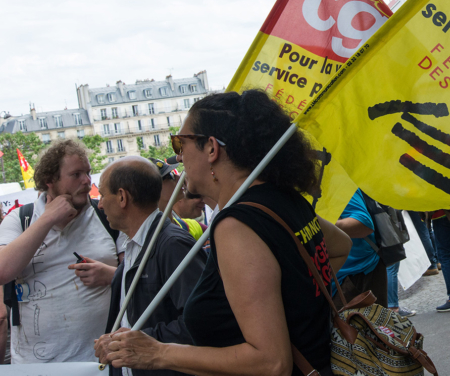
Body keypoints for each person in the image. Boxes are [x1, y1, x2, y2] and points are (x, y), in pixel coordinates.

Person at [98, 90, 352, 376]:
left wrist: (157, 353)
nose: (179, 156)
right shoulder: (284, 199)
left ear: (211, 148)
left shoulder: (236, 225)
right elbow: (342, 246)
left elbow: (271, 363)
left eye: (181, 143)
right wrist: (294, 296)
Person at [0, 140, 123, 364]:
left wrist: (111, 276)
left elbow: (143, 277)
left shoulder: (108, 216)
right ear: (49, 180)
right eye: (76, 174)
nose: (87, 181)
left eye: (87, 173)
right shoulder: (21, 219)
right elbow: (2, 271)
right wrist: (47, 219)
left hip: (99, 362)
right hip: (35, 366)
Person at [94, 156, 207, 376]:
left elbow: (201, 322)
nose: (99, 204)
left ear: (122, 197)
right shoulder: (136, 244)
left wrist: (138, 341)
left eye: (102, 195)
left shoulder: (172, 245)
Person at [335, 189, 388, 307]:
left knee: (372, 323)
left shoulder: (338, 182)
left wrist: (321, 224)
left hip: (359, 273)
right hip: (338, 276)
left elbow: (364, 223)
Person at [148, 157, 207, 240]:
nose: (179, 179)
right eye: (170, 176)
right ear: (154, 189)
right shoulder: (146, 238)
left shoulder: (191, 226)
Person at [407, 211, 439, 276]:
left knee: (423, 232)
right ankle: (437, 261)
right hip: (423, 204)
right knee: (428, 230)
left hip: (413, 204)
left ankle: (431, 264)